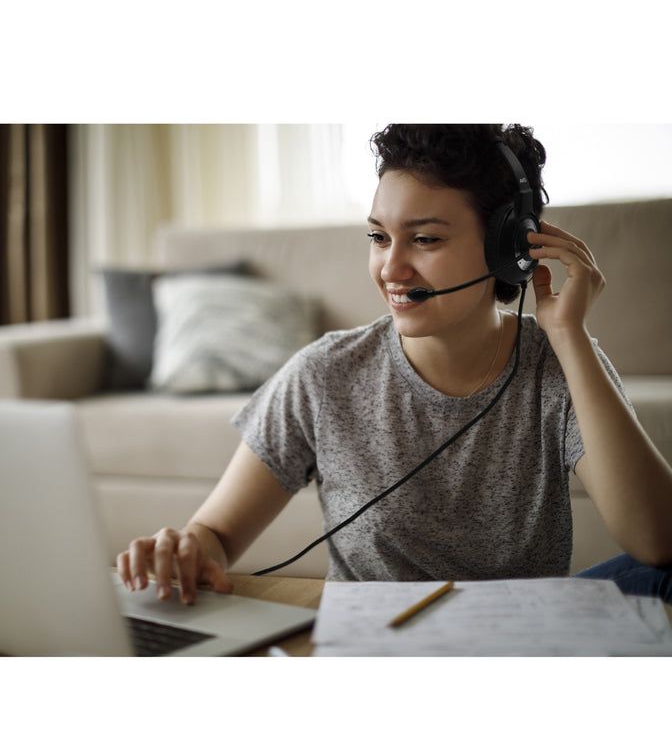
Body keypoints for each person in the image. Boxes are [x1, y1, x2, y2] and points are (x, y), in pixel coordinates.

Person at [116, 124, 672, 606]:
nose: (391, 268)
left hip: (515, 641)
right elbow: (216, 532)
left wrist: (570, 335)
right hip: (376, 648)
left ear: (508, 248)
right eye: (379, 237)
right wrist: (185, 548)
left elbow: (657, 542)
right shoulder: (325, 374)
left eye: (424, 239)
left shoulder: (562, 366)